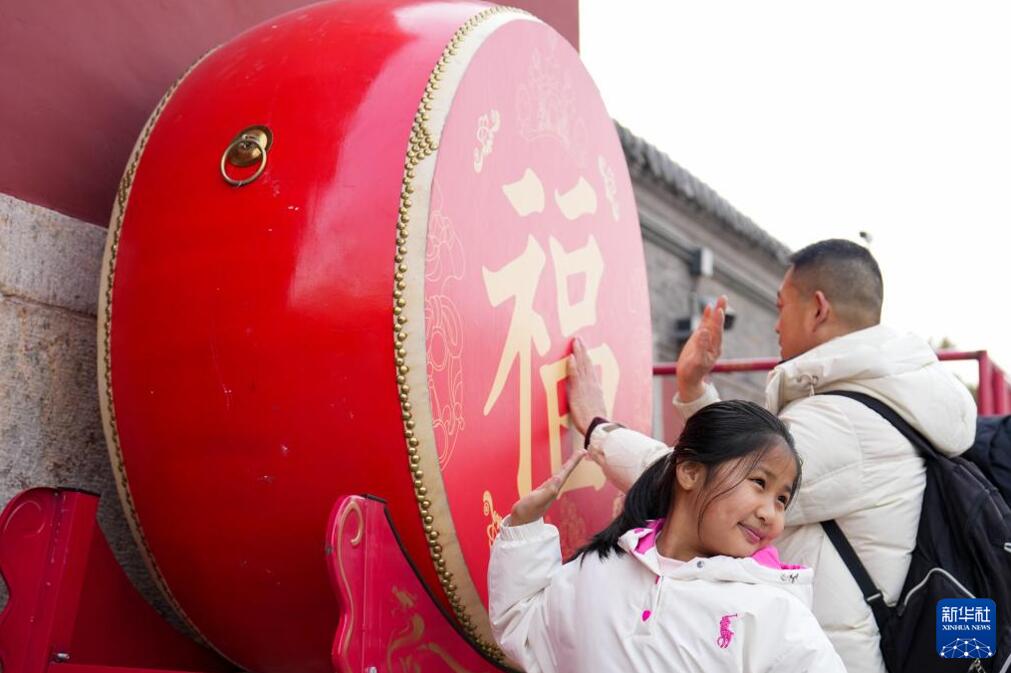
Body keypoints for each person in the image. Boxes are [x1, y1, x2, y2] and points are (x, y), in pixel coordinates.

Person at [567, 239, 978, 673]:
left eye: (780, 306)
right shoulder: (879, 397)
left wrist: (598, 429)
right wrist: (695, 391)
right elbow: (737, 470)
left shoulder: (845, 420)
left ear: (818, 308)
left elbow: (715, 481)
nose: (776, 325)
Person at [488, 400, 845, 673]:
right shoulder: (597, 571)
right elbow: (525, 631)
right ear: (689, 471)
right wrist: (524, 526)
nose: (771, 513)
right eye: (759, 483)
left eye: (782, 499)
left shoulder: (774, 611)